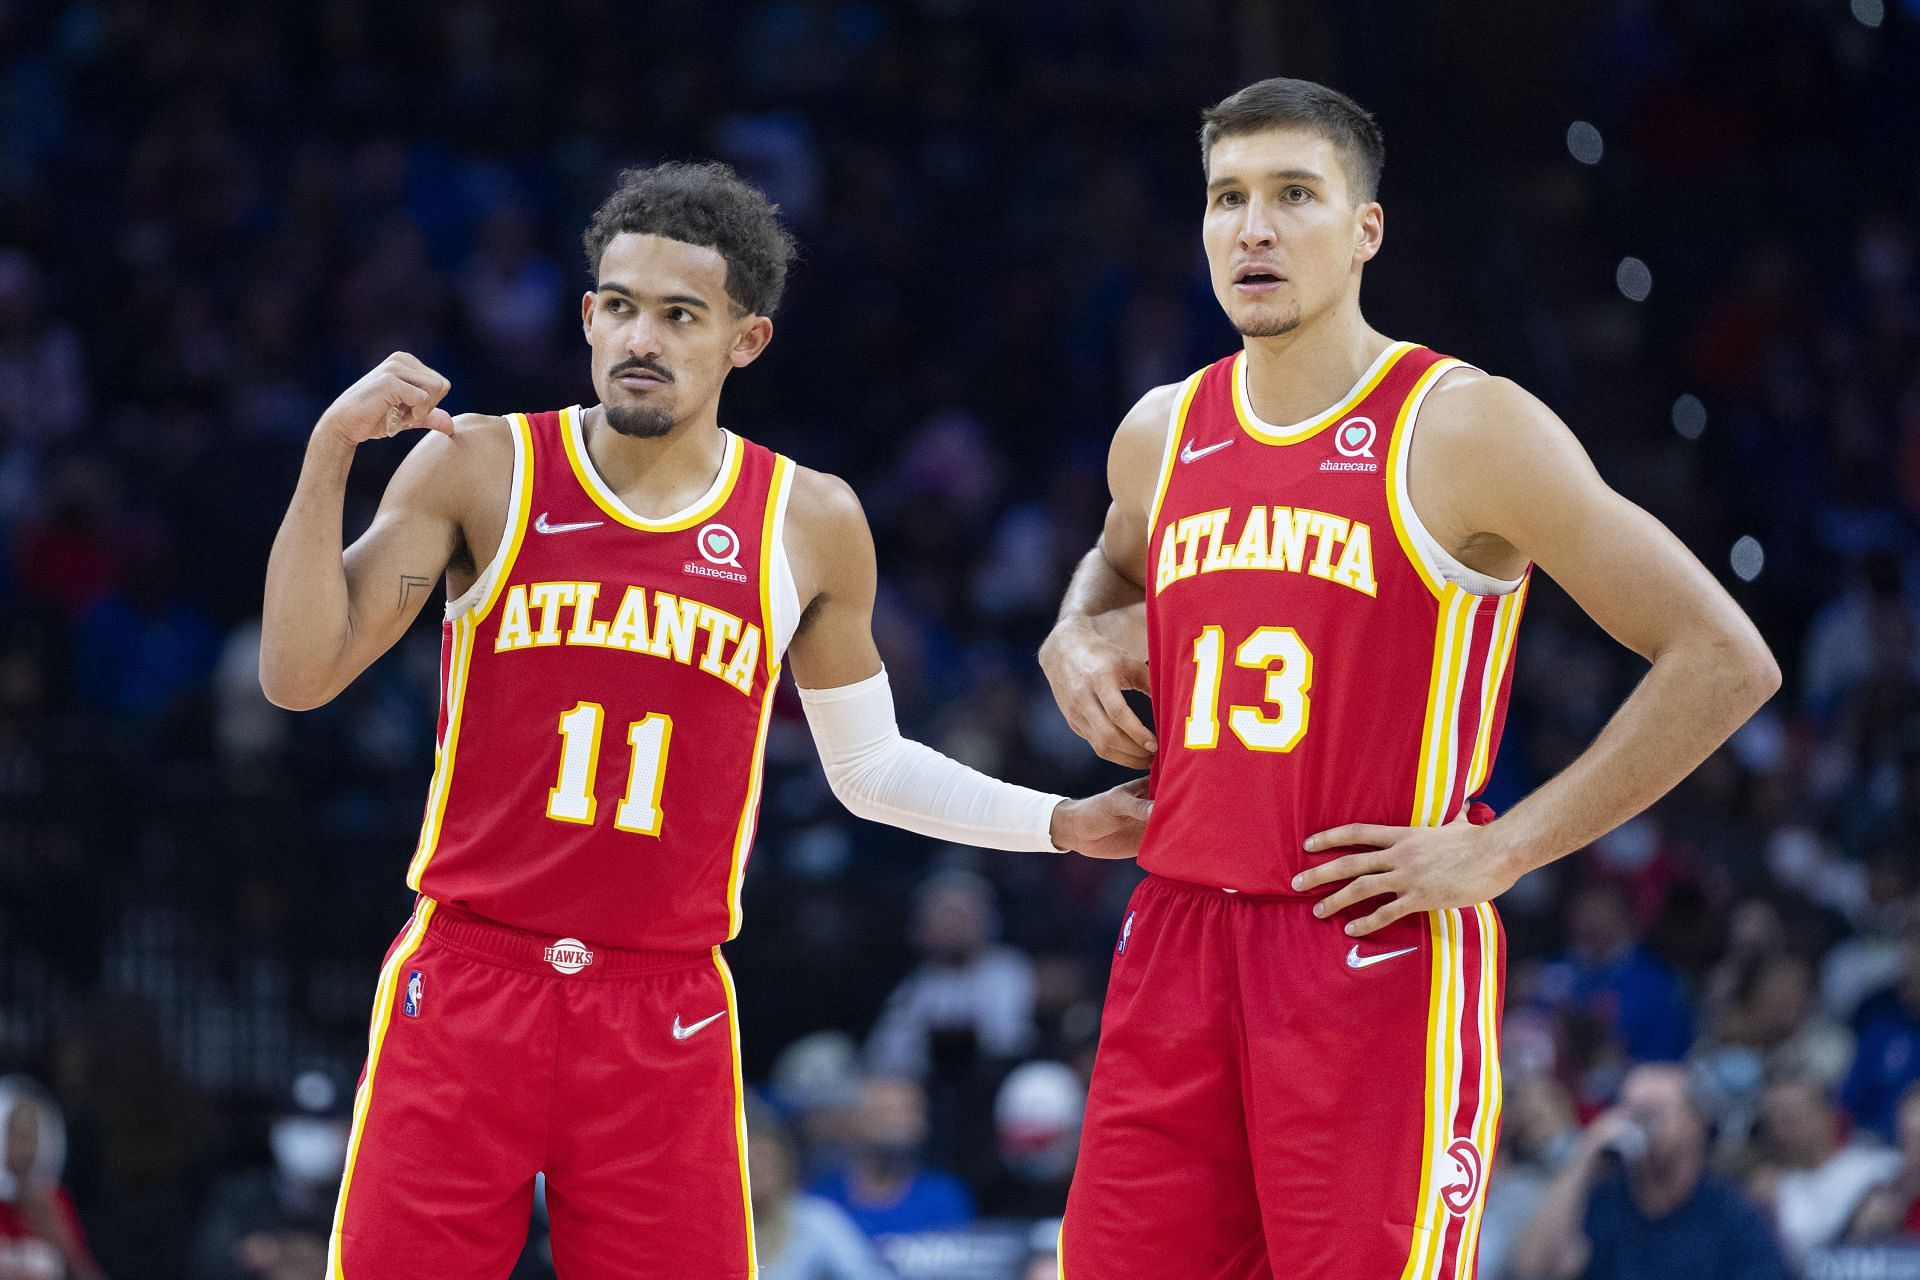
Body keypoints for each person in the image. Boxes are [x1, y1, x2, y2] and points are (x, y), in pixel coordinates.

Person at [259, 161, 1150, 1279]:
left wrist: (1060, 822)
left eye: (682, 315)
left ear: (745, 340)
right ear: (586, 316)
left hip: (663, 999)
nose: (644, 335)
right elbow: (297, 674)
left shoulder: (810, 519)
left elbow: (868, 765)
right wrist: (328, 452)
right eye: (622, 306)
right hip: (474, 974)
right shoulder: (484, 467)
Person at [1037, 77, 1779, 1277]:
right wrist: (1075, 629)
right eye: (1228, 198)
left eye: (1294, 195)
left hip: (1364, 945)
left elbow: (1723, 658)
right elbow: (1111, 571)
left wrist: (1508, 846)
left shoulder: (1466, 426)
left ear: (1366, 228)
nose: (1254, 228)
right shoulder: (1161, 431)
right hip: (1174, 937)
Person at [1506, 1063, 1788, 1280]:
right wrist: (1586, 1152)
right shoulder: (1604, 1200)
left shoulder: (1733, 1215)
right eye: (1632, 1111)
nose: (1642, 1123)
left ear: (1696, 1121)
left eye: (1654, 1111)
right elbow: (1531, 1268)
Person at [808, 1078, 974, 1241]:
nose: (900, 1122)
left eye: (912, 1111)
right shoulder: (821, 1200)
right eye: (886, 1111)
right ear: (853, 1121)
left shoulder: (945, 1196)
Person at [747, 1112, 891, 1280]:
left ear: (784, 1166)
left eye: (767, 1163)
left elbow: (867, 1274)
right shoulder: (717, 1229)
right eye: (750, 1164)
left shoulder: (816, 1219)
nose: (758, 1173)